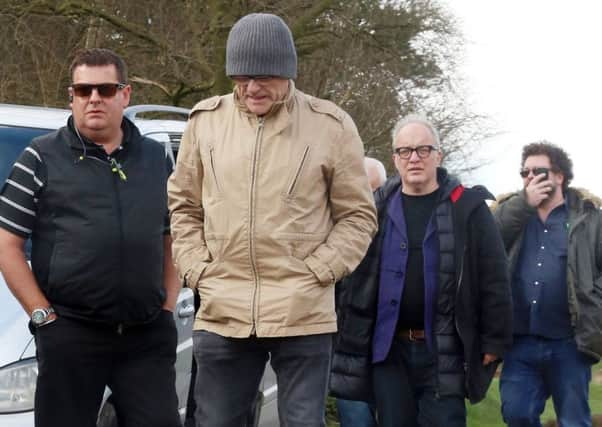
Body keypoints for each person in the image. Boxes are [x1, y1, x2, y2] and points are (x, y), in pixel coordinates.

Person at [167, 13, 377, 427]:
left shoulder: (331, 126)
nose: (252, 87)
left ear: (288, 72)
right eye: (241, 77)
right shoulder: (204, 123)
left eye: (264, 76)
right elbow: (183, 206)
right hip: (223, 308)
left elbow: (358, 215)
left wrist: (319, 271)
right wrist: (198, 271)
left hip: (303, 312)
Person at [0, 48, 181, 427]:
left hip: (144, 337)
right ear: (72, 97)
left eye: (105, 89)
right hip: (70, 334)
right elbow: (7, 244)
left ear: (125, 94)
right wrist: (42, 316)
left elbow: (170, 238)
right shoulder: (40, 157)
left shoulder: (155, 157)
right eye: (83, 91)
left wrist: (167, 307)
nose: (94, 98)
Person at [330, 114, 513, 427]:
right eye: (405, 151)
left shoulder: (468, 209)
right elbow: (349, 278)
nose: (414, 158)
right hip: (388, 351)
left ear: (438, 155)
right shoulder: (374, 210)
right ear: (395, 159)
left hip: (445, 351)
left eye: (423, 150)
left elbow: (494, 278)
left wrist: (494, 340)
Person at [494, 141, 602, 427]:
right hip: (520, 342)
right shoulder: (512, 213)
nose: (530, 177)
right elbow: (488, 241)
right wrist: (522, 205)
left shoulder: (588, 218)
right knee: (516, 414)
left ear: (559, 176)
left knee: (574, 421)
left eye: (538, 171)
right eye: (525, 172)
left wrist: (595, 305)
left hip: (569, 343)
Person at [335, 156, 386, 427]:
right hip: (350, 349)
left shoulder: (398, 234)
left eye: (374, 191)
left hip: (390, 349)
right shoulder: (335, 231)